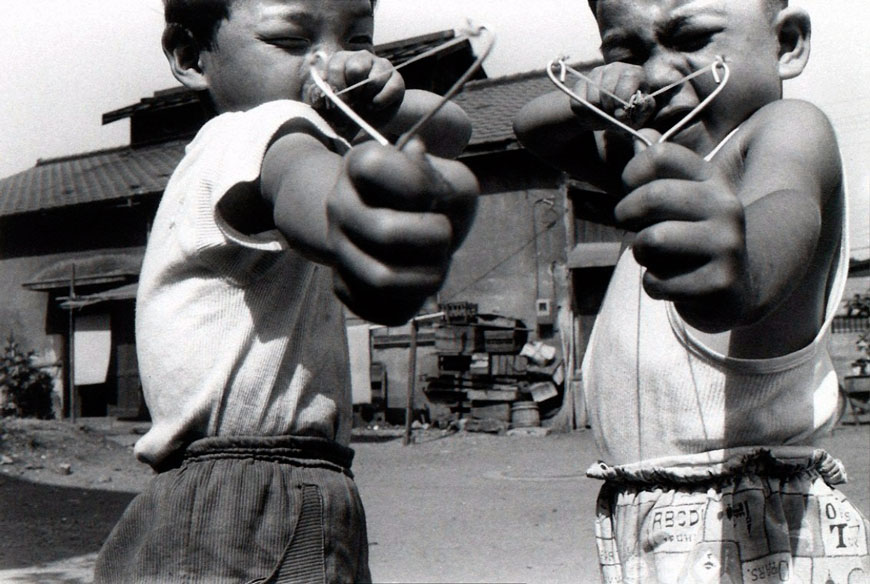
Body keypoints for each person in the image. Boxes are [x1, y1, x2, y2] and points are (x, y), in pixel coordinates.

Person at [94, 0, 478, 582]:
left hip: (220, 491)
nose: (333, 64)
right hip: (254, 495)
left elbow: (457, 129)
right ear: (190, 56)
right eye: (291, 41)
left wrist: (388, 97)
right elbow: (302, 178)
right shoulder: (249, 133)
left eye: (358, 38)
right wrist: (348, 217)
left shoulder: (276, 143)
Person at [514, 0, 869, 582]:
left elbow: (789, 202)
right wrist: (590, 98)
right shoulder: (654, 158)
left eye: (693, 37)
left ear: (787, 45)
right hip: (649, 518)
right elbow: (533, 131)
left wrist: (743, 267)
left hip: (752, 526)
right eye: (627, 53)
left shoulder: (786, 129)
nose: (654, 76)